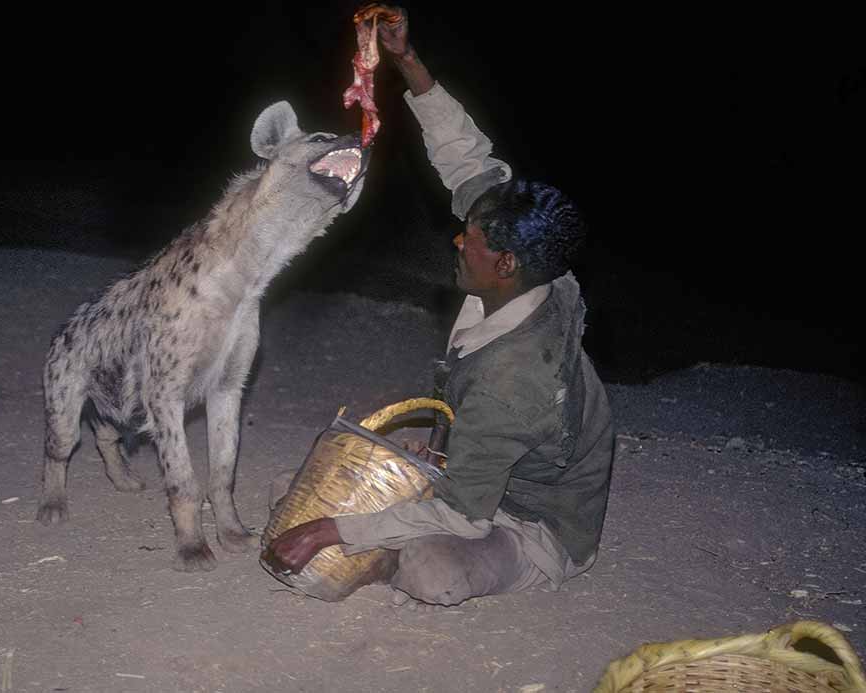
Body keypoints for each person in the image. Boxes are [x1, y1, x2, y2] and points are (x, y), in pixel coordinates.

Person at [264, 4, 615, 607]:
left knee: (433, 571)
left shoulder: (515, 377)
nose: (457, 239)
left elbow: (464, 514)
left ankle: (390, 551)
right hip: (493, 457)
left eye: (469, 239)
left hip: (536, 520)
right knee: (328, 483)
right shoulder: (537, 268)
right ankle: (404, 508)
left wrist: (335, 532)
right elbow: (466, 158)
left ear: (505, 263)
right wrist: (405, 60)